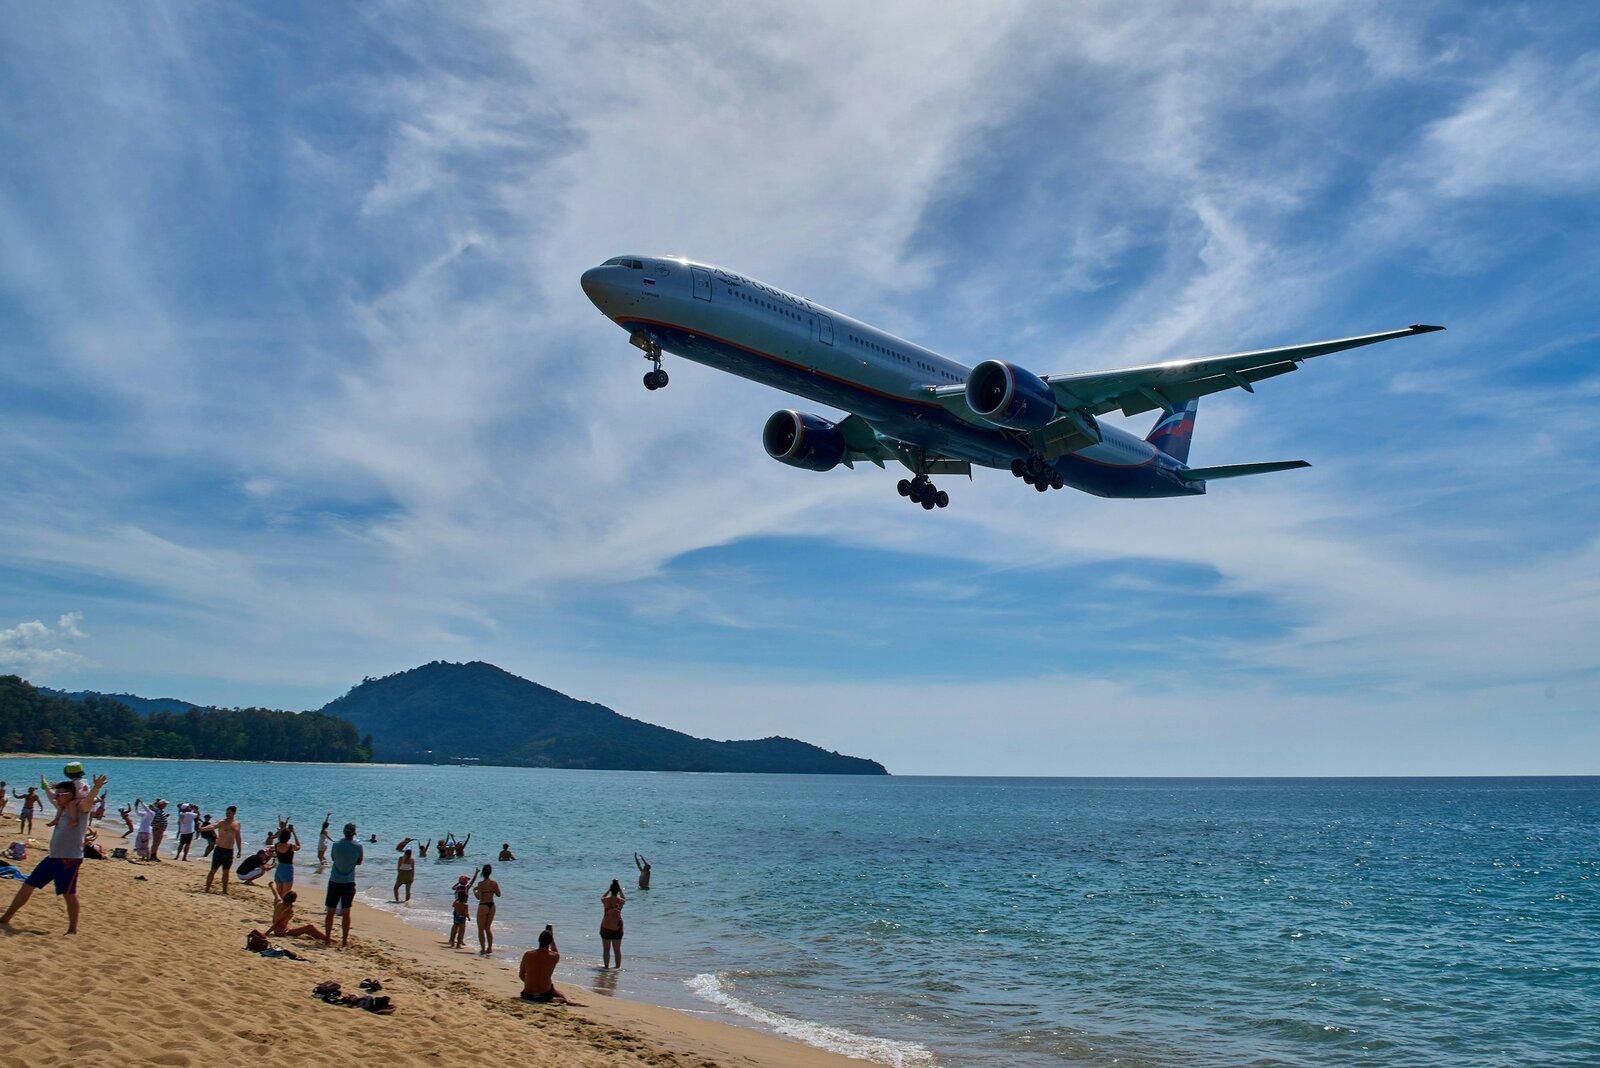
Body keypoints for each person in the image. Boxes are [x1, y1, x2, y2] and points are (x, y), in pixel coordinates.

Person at [0, 773, 106, 933]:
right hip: (53, 857)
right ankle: (6, 918)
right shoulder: (61, 808)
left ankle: (72, 930)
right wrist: (46, 786)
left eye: (61, 794)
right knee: (28, 885)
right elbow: (51, 796)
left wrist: (96, 787)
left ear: (71, 794)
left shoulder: (80, 809)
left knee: (68, 894)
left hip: (69, 859)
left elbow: (89, 801)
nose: (57, 797)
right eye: (57, 794)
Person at [323, 822, 363, 949]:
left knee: (330, 911)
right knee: (346, 912)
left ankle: (327, 939)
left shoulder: (336, 844)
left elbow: (334, 859)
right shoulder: (358, 846)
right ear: (354, 833)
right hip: (348, 881)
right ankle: (344, 941)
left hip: (335, 880)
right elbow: (359, 861)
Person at [518, 927, 574, 1004]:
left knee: (551, 989)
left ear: (539, 940)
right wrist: (552, 939)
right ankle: (567, 999)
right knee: (556, 991)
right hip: (544, 995)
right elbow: (555, 952)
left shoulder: (528, 955)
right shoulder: (554, 956)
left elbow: (521, 975)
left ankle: (557, 998)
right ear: (550, 942)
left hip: (527, 995)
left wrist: (531, 983)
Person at [202, 807, 241, 893]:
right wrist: (203, 828)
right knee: (213, 870)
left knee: (226, 872)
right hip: (219, 850)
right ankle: (207, 889)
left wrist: (239, 850)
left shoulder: (237, 824)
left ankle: (224, 891)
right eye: (227, 813)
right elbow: (212, 826)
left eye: (229, 813)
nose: (227, 814)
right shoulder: (222, 822)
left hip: (229, 851)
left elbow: (238, 837)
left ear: (234, 813)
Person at [475, 863, 500, 956]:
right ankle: (489, 948)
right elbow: (498, 894)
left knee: (481, 929)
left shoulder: (480, 884)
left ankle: (482, 949)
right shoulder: (494, 883)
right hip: (492, 906)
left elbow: (478, 897)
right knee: (488, 928)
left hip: (483, 905)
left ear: (483, 873)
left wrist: (474, 891)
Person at [448, 872, 478, 949]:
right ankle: (460, 941)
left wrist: (458, 882)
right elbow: (472, 881)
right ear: (465, 882)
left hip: (457, 908)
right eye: (467, 880)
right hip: (463, 908)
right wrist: (476, 873)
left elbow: (452, 887)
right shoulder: (466, 887)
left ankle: (451, 940)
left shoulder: (457, 888)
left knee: (455, 925)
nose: (468, 882)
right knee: (462, 927)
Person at [600, 880, 625, 969]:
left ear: (611, 889)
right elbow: (624, 898)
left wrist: (609, 890)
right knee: (617, 950)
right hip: (617, 927)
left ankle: (606, 967)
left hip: (605, 927)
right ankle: (617, 968)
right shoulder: (621, 901)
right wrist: (620, 889)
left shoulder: (606, 900)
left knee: (606, 949)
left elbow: (602, 897)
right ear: (618, 890)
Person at [272, 825, 300, 900]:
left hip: (279, 868)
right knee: (286, 895)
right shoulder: (291, 846)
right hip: (288, 869)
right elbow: (298, 846)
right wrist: (294, 833)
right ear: (289, 837)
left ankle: (277, 906)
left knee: (278, 894)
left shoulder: (276, 845)